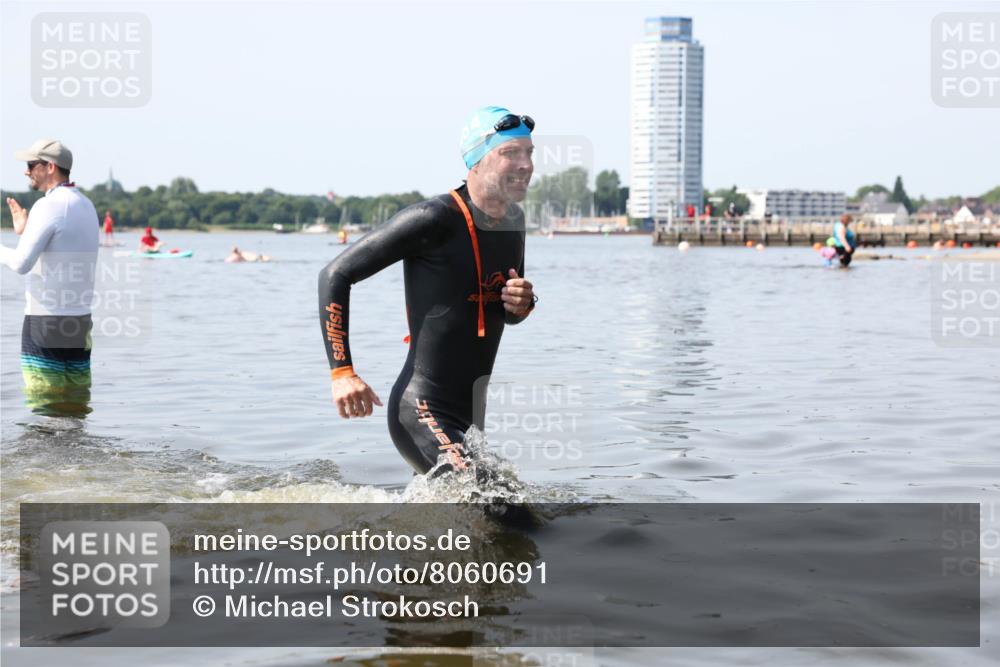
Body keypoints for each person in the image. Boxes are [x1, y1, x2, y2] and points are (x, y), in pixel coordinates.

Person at [318, 106, 537, 475]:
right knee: (490, 506)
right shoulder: (433, 218)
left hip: (469, 420)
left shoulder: (513, 222)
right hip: (421, 409)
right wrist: (343, 373)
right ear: (477, 161)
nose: (525, 164)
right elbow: (334, 275)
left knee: (511, 518)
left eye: (529, 153)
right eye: (510, 153)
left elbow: (505, 314)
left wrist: (522, 304)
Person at [1, 139, 99, 417]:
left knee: (45, 405)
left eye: (32, 165)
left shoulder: (49, 205)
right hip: (79, 321)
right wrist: (26, 231)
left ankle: (49, 462)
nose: (26, 171)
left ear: (51, 167)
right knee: (74, 405)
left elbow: (21, 263)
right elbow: (61, 248)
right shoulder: (86, 204)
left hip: (46, 321)